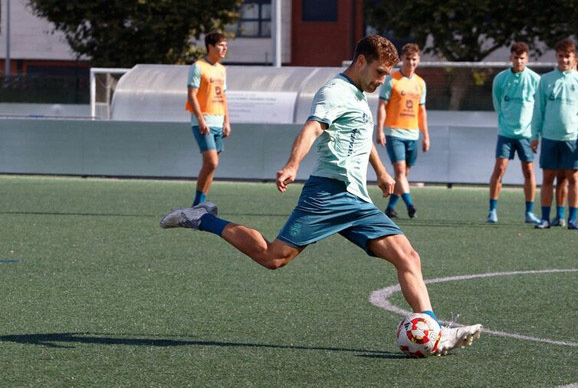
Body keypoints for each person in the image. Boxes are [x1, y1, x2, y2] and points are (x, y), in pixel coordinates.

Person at [161, 35, 482, 355]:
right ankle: (203, 218)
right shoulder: (334, 91)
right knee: (272, 257)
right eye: (381, 72)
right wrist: (292, 164)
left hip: (356, 199)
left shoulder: (358, 95)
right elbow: (313, 128)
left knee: (408, 256)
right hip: (326, 195)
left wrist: (382, 173)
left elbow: (360, 135)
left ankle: (436, 332)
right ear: (360, 62)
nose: (384, 80)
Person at [530, 38, 578, 230]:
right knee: (548, 178)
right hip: (549, 137)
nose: (564, 60)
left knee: (574, 178)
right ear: (555, 57)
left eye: (567, 56)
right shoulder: (545, 80)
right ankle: (545, 218)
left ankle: (572, 219)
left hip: (572, 138)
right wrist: (534, 135)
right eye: (560, 56)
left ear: (574, 58)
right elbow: (538, 110)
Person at [486, 42, 541, 224]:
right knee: (499, 169)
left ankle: (529, 212)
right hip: (506, 133)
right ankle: (492, 210)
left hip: (526, 134)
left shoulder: (535, 79)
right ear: (511, 58)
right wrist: (505, 123)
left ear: (527, 59)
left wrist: (535, 134)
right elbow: (497, 104)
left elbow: (538, 107)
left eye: (522, 58)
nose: (519, 61)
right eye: (516, 58)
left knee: (528, 171)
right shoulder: (501, 79)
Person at [376, 43, 430, 219]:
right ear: (402, 59)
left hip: (412, 134)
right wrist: (380, 130)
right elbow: (382, 106)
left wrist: (425, 136)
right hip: (394, 133)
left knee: (404, 176)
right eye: (408, 59)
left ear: (418, 60)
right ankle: (410, 206)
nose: (411, 63)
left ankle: (390, 208)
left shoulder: (420, 83)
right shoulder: (391, 79)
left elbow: (422, 111)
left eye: (414, 59)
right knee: (400, 173)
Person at [186, 31, 231, 207]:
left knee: (213, 165)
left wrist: (227, 121)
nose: (225, 48)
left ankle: (201, 203)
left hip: (218, 122)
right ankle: (198, 202)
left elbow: (223, 97)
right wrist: (200, 119)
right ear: (210, 46)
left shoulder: (221, 69)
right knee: (211, 162)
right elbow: (192, 95)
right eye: (221, 45)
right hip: (203, 122)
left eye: (226, 45)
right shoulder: (198, 67)